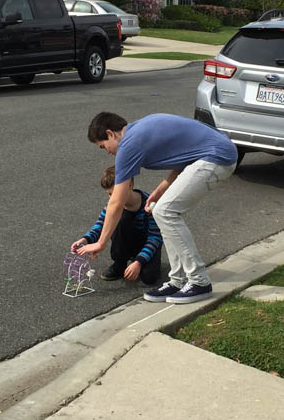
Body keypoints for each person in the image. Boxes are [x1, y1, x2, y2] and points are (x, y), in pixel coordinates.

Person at [77, 112, 237, 304]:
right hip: (213, 152)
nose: (107, 152)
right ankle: (177, 281)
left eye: (103, 146)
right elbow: (186, 154)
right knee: (161, 210)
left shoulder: (128, 145)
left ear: (111, 134)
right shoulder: (137, 131)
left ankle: (199, 281)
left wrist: (101, 243)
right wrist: (162, 189)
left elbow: (117, 201)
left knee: (165, 211)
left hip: (218, 156)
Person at [71, 165, 162, 285]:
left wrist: (139, 262)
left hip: (146, 243)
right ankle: (120, 263)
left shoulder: (149, 205)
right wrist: (85, 240)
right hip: (125, 241)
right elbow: (100, 226)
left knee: (149, 278)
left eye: (115, 193)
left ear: (129, 185)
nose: (113, 199)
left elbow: (155, 238)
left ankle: (138, 260)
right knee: (119, 218)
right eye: (109, 194)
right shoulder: (112, 205)